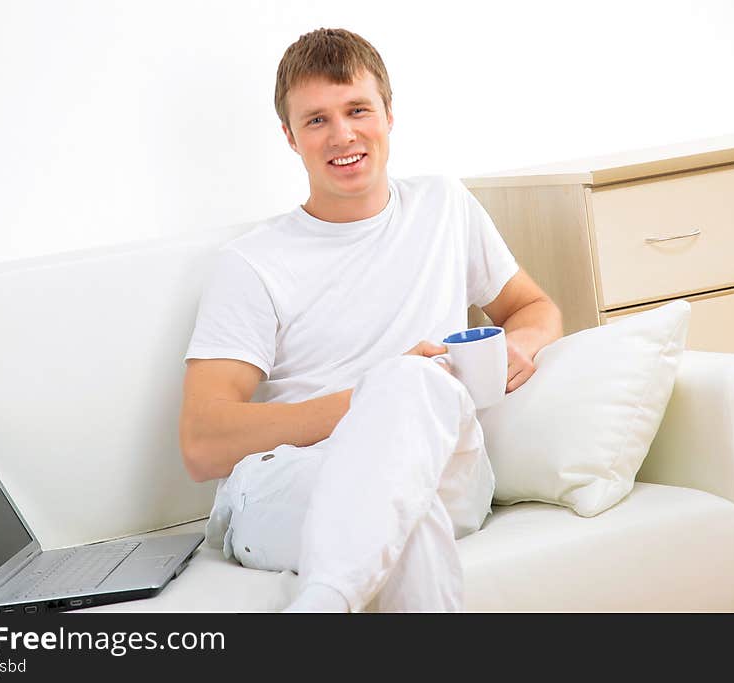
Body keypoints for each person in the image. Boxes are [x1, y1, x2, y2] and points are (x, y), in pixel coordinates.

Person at [179, 27, 562, 612]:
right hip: (294, 480)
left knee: (410, 401)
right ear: (290, 136)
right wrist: (373, 395)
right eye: (316, 120)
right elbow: (203, 444)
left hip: (443, 465)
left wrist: (524, 345)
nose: (343, 135)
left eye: (358, 109)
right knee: (406, 513)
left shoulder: (443, 205)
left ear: (388, 114)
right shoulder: (253, 264)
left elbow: (533, 308)